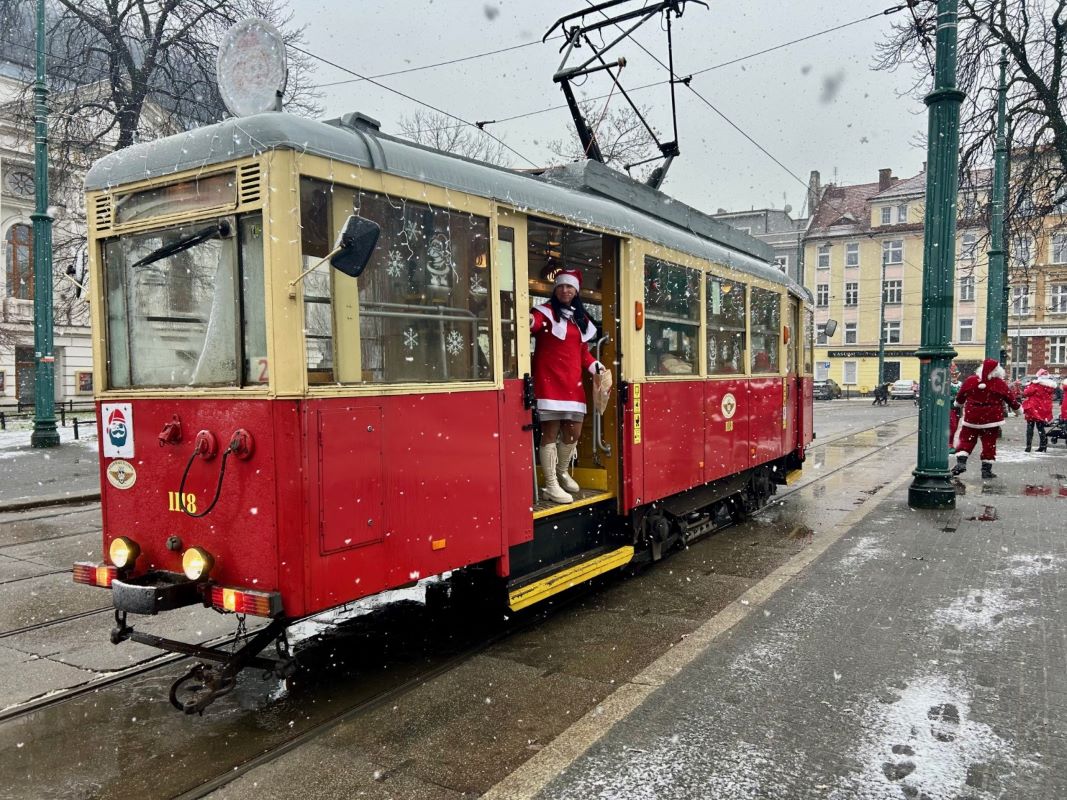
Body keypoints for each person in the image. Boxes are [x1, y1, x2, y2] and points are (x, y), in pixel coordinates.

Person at [530, 268, 605, 504]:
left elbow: (583, 353)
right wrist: (529, 319)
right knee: (550, 434)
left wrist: (596, 367)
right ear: (555, 289)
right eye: (561, 286)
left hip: (573, 383)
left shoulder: (578, 318)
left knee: (573, 433)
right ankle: (550, 484)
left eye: (569, 286)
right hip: (548, 381)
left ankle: (562, 472)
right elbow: (533, 324)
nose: (565, 290)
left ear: (576, 291)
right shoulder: (543, 312)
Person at [951, 358, 1020, 479]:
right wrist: (1017, 410)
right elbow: (1010, 398)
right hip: (991, 420)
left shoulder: (971, 380)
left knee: (966, 440)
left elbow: (961, 395)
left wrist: (958, 403)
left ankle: (961, 462)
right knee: (989, 443)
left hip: (972, 417)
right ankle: (986, 470)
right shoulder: (999, 383)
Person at [1021, 368, 1057, 452]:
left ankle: (1028, 446)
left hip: (1033, 408)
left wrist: (1029, 385)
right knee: (1041, 428)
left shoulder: (1036, 385)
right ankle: (1043, 446)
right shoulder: (1050, 387)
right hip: (1043, 409)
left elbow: (1026, 393)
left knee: (1030, 427)